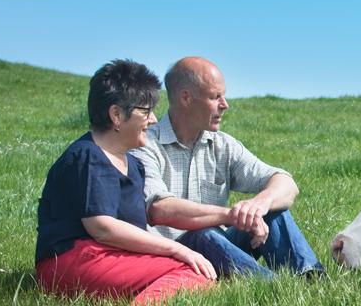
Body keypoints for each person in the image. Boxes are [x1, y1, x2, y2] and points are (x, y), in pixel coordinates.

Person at [35, 59, 215, 305]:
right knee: (191, 274)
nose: (153, 120)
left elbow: (133, 232)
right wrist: (176, 249)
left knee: (195, 273)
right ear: (117, 115)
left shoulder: (134, 165)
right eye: (146, 111)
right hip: (71, 259)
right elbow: (103, 228)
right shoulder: (88, 156)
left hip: (109, 257)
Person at [132, 56, 323, 279]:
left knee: (272, 211)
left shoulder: (223, 145)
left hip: (220, 250)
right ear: (186, 98)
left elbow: (286, 182)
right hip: (173, 258)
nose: (225, 105)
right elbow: (159, 209)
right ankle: (271, 286)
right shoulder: (144, 145)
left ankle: (311, 278)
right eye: (215, 97)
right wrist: (231, 215)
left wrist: (258, 205)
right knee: (203, 233)